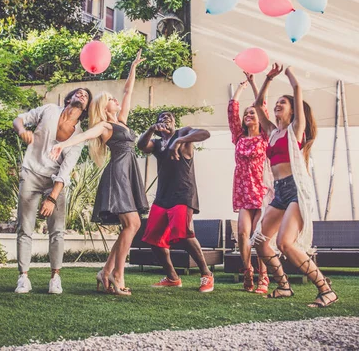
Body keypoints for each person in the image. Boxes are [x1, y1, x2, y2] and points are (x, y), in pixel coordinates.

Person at [50, 50, 148, 296]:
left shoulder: (122, 121)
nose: (116, 100)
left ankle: (105, 272)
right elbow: (83, 136)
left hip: (128, 175)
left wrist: (133, 67)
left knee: (131, 225)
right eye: (111, 99)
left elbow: (128, 92)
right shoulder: (105, 126)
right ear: (104, 108)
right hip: (117, 176)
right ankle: (117, 274)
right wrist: (63, 144)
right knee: (132, 223)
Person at [253, 63, 338, 308]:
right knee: (259, 240)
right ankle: (283, 286)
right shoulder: (271, 132)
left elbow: (298, 87)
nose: (278, 105)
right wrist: (267, 79)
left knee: (285, 243)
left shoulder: (295, 130)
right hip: (279, 192)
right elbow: (259, 105)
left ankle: (325, 289)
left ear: (292, 111)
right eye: (277, 102)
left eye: (283, 102)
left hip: (296, 191)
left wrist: (289, 73)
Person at [13, 87, 92, 294]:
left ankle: (55, 278)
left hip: (55, 181)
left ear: (86, 108)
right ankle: (23, 278)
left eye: (86, 95)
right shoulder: (49, 110)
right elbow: (19, 119)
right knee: (25, 227)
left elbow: (66, 169)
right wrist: (22, 131)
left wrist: (52, 198)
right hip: (31, 173)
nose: (82, 94)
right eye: (79, 92)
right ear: (70, 97)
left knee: (57, 231)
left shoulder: (79, 135)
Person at [137, 111, 215, 293]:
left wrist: (179, 141)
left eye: (170, 117)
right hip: (163, 196)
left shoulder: (183, 134)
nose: (166, 119)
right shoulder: (157, 144)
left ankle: (207, 274)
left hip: (183, 194)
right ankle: (172, 277)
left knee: (184, 234)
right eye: (162, 118)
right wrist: (150, 129)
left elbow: (205, 133)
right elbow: (142, 145)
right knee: (153, 239)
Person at [227, 71, 269, 293]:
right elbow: (232, 110)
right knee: (243, 233)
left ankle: (264, 276)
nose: (248, 115)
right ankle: (247, 271)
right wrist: (240, 88)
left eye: (252, 113)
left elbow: (262, 104)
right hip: (243, 192)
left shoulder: (264, 136)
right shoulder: (238, 137)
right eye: (246, 113)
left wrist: (254, 84)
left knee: (258, 235)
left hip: (260, 190)